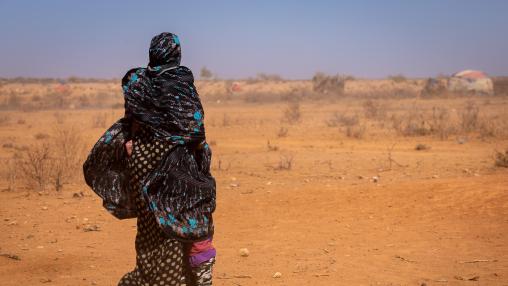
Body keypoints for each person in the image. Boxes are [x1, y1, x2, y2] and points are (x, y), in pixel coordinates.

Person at [83, 32, 216, 286]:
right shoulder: (178, 82)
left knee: (149, 229)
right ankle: (169, 280)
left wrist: (134, 145)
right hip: (174, 165)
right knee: (179, 226)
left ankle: (150, 277)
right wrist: (196, 156)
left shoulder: (136, 81)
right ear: (176, 54)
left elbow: (131, 121)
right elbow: (194, 130)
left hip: (141, 162)